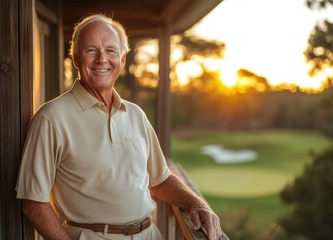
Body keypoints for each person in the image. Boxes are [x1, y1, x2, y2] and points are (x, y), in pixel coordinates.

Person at [16, 14, 222, 240]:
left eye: (111, 51)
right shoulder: (51, 118)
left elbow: (160, 179)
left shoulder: (135, 115)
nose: (102, 59)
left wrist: (196, 202)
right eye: (91, 50)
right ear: (75, 57)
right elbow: (34, 203)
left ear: (122, 60)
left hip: (150, 235)